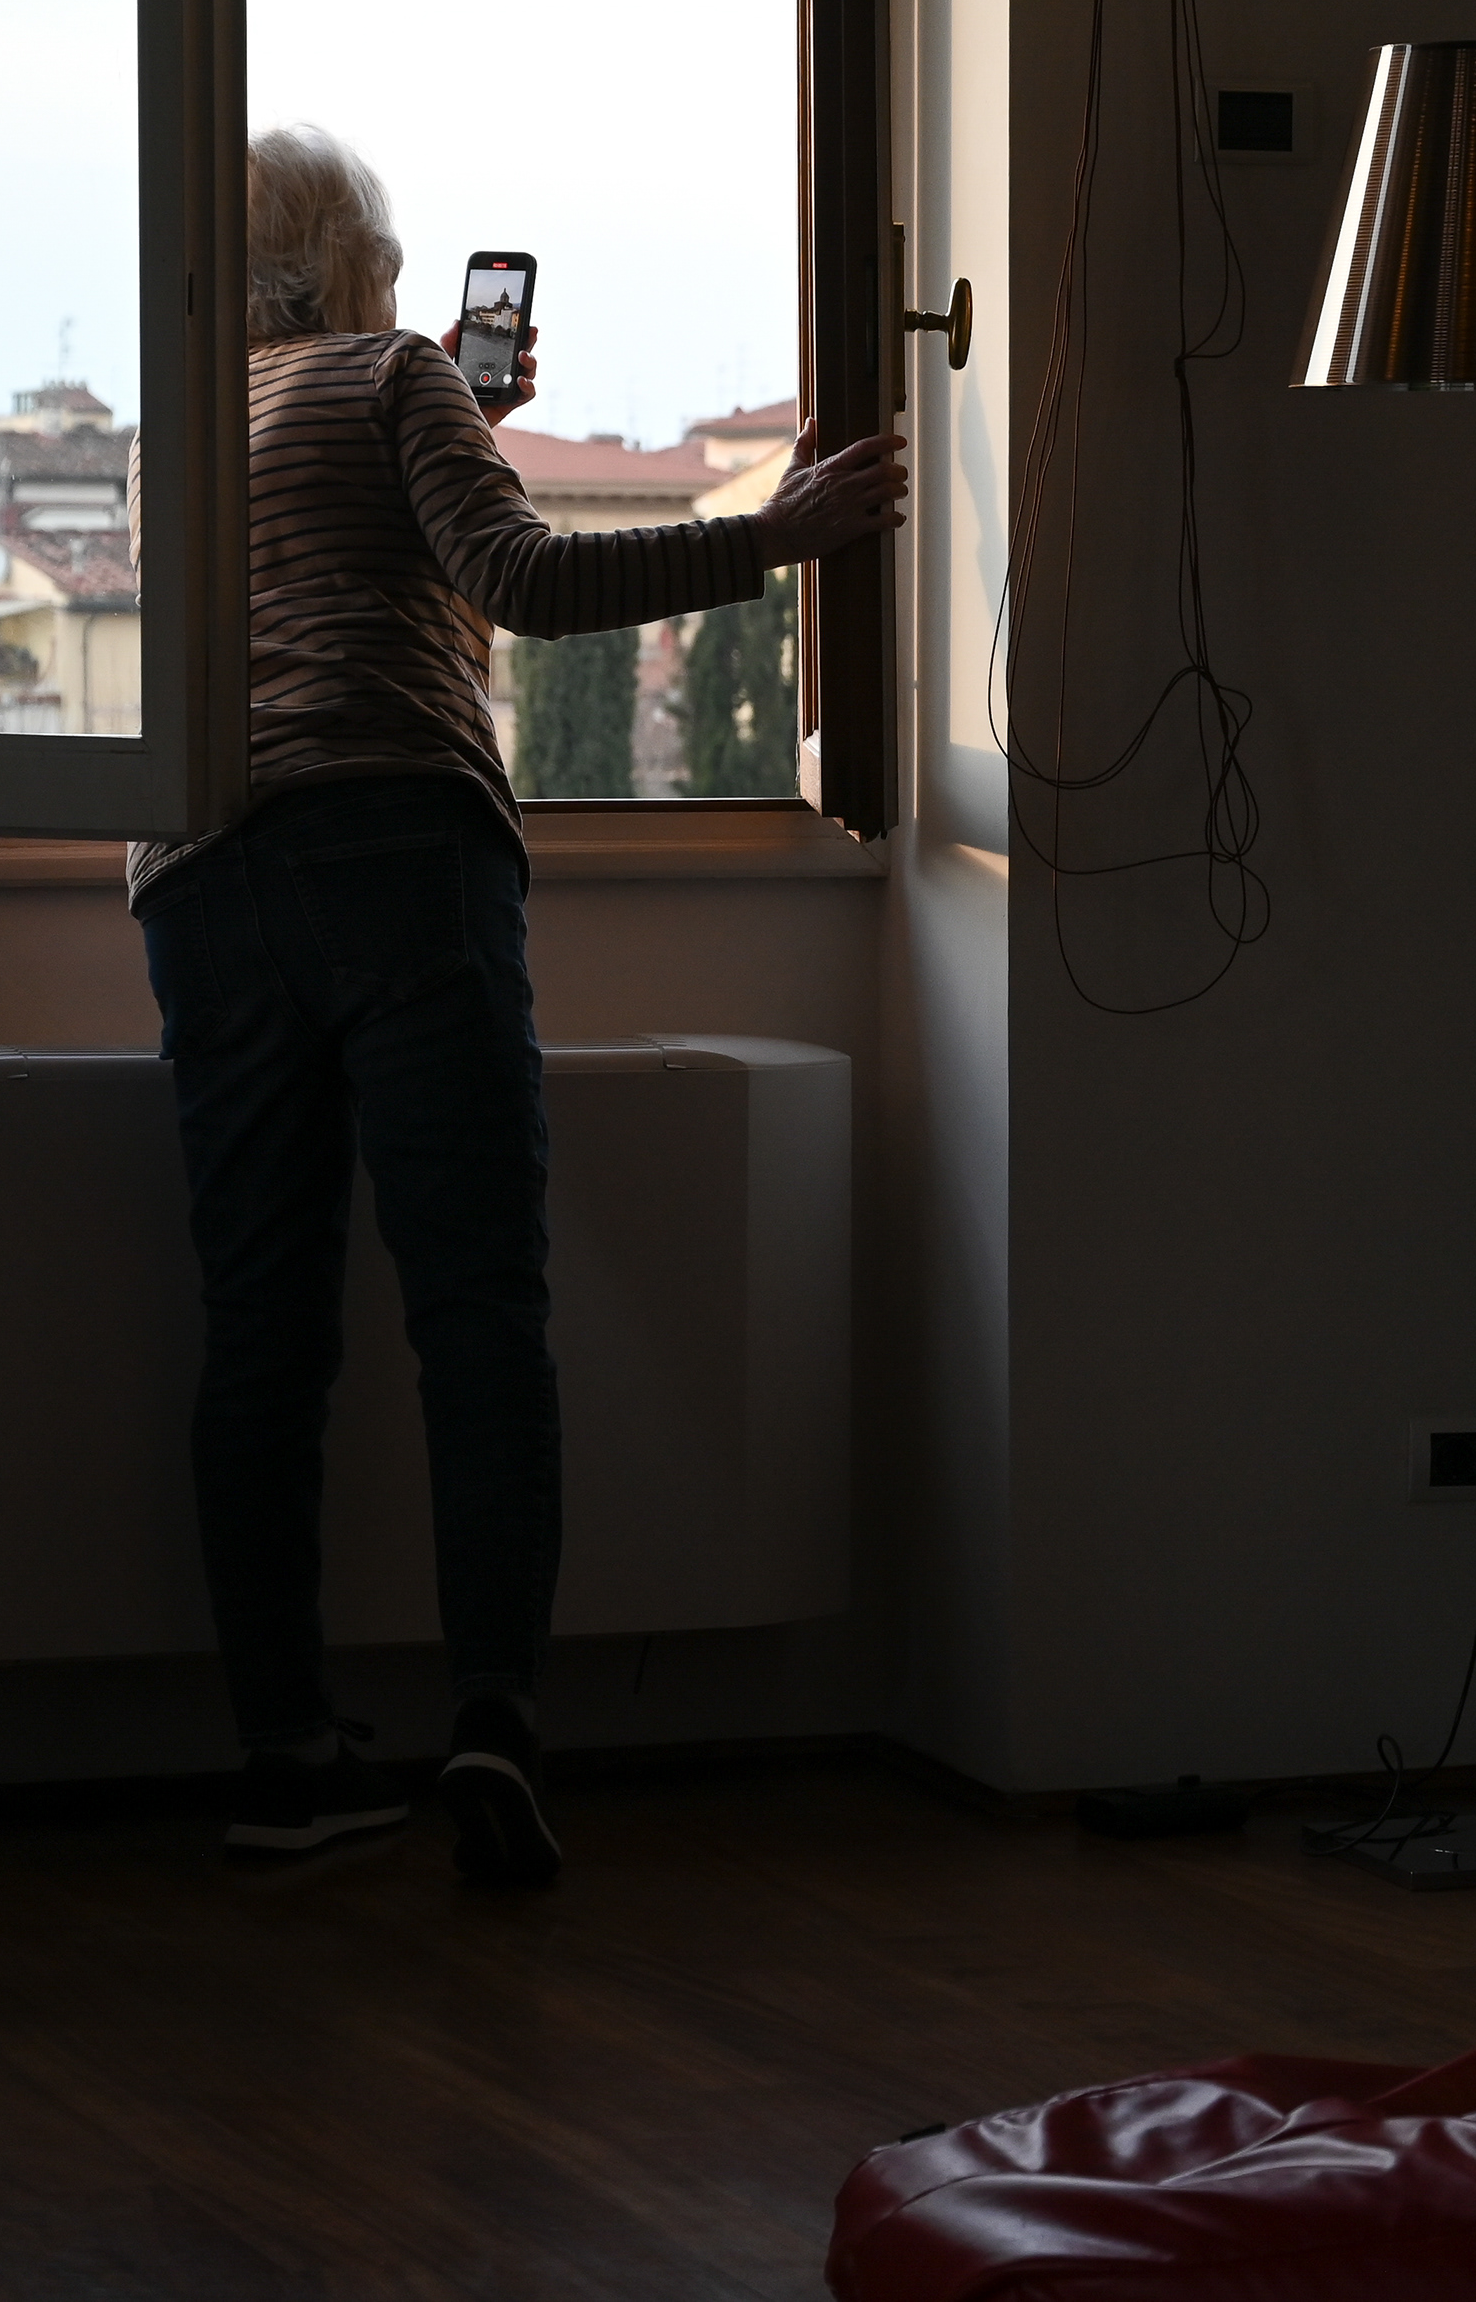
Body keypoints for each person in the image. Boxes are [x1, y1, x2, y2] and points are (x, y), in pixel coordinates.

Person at [129, 125, 904, 1882]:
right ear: (360, 263)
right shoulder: (392, 374)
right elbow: (525, 586)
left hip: (197, 881)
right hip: (392, 846)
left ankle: (282, 1762)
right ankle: (493, 1724)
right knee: (478, 1309)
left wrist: (461, 427)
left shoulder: (180, 434)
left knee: (263, 1334)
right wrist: (782, 533)